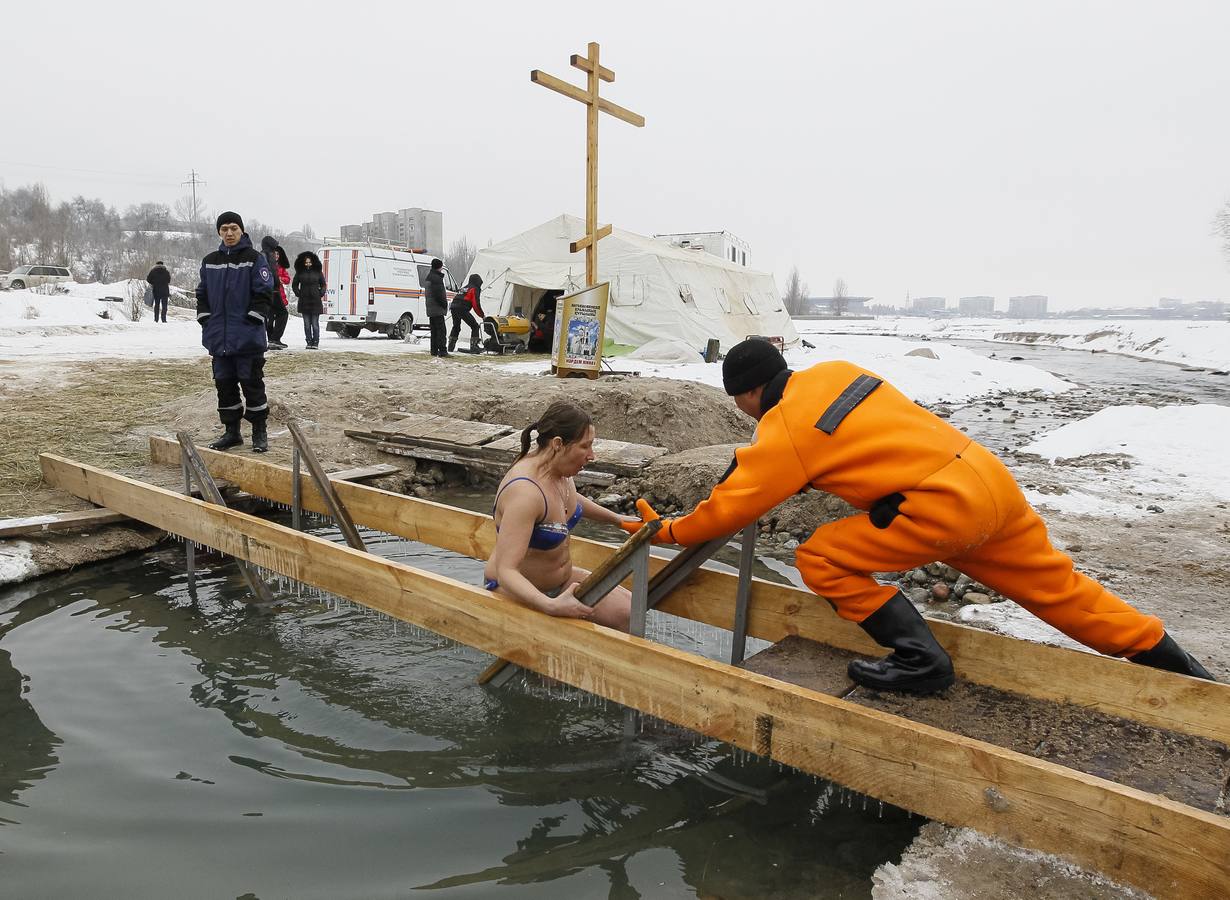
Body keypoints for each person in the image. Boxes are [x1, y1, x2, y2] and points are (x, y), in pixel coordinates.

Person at [621, 338, 1215, 693]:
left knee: (821, 557)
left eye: (742, 407)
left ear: (748, 395)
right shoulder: (838, 373)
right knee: (1060, 591)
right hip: (987, 482)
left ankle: (921, 662)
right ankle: (1184, 672)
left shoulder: (783, 431)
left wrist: (666, 529)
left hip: (935, 510)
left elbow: (730, 509)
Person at [485, 400, 640, 630]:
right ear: (558, 444)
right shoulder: (525, 493)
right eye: (585, 447)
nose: (592, 455)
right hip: (516, 591)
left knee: (631, 611)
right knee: (620, 621)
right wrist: (550, 606)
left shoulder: (559, 471)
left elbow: (569, 501)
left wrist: (618, 520)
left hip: (561, 582)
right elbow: (506, 571)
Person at [196, 211, 275, 453]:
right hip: (219, 339)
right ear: (219, 232)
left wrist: (253, 319)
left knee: (252, 385)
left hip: (247, 338)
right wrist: (205, 320)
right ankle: (232, 433)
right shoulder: (210, 261)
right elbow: (202, 294)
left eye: (233, 228)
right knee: (224, 385)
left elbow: (264, 292)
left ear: (241, 230)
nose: (229, 233)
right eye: (224, 229)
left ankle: (259, 433)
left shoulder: (254, 258)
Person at [259, 237, 291, 349]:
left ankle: (272, 339)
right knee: (282, 314)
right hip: (272, 290)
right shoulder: (266, 255)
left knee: (270, 316)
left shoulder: (265, 254)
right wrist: (274, 283)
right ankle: (274, 339)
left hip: (270, 290)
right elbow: (267, 273)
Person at [292, 251, 325, 349]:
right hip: (304, 301)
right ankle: (309, 341)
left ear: (313, 262)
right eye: (306, 263)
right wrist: (298, 293)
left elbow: (323, 284)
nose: (308, 264)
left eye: (309, 262)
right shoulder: (299, 272)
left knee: (315, 324)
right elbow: (294, 284)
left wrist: (321, 293)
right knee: (307, 324)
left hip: (315, 301)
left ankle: (315, 342)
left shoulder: (318, 272)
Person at [448, 273, 484, 354]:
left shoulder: (464, 288)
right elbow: (476, 304)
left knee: (456, 326)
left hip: (454, 307)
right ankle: (474, 346)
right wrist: (482, 315)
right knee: (475, 326)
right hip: (462, 308)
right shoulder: (474, 288)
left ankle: (450, 346)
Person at [423, 257, 449, 357]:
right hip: (437, 308)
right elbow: (439, 295)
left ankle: (434, 350)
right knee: (441, 331)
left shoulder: (429, 276)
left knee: (434, 331)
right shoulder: (436, 278)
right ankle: (442, 350)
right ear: (439, 267)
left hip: (431, 308)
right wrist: (444, 304)